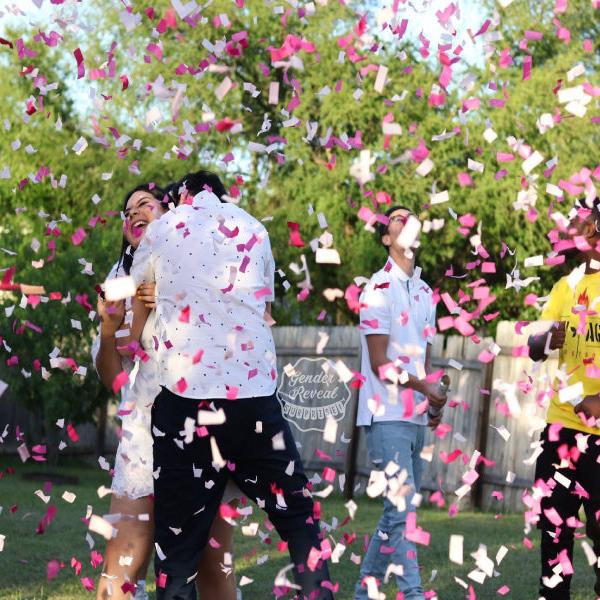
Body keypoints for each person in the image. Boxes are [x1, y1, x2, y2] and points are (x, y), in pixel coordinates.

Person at [129, 170, 334, 600]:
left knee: (179, 548)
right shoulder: (255, 229)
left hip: (186, 398)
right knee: (298, 521)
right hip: (252, 398)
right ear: (221, 195)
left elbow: (140, 297)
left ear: (183, 195)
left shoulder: (165, 228)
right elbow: (262, 308)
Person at [94, 182, 239, 600]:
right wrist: (108, 330)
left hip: (205, 427)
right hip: (143, 430)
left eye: (145, 203)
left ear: (171, 213)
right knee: (124, 558)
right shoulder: (118, 280)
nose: (133, 212)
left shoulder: (207, 264)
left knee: (212, 565)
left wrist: (177, 298)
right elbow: (113, 378)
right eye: (127, 210)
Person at [354, 205, 447, 600]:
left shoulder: (427, 293)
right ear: (387, 239)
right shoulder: (376, 289)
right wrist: (425, 387)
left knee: (395, 512)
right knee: (404, 510)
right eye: (395, 219)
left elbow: (425, 361)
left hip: (413, 420)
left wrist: (435, 399)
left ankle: (363, 592)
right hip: (384, 415)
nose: (405, 220)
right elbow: (379, 364)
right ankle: (412, 593)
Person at [527, 197, 600, 600]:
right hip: (561, 431)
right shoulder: (564, 286)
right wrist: (541, 340)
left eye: (586, 220)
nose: (578, 226)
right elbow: (536, 346)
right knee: (555, 534)